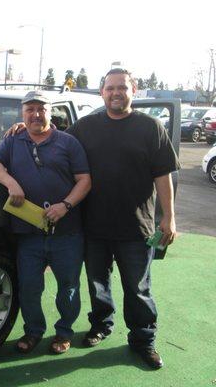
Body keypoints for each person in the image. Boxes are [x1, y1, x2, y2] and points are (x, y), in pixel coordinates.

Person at [66, 68, 180, 369]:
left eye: (122, 87)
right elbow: (55, 145)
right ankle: (101, 324)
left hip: (136, 226)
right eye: (110, 88)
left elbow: (163, 176)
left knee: (138, 288)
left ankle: (143, 340)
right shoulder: (85, 127)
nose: (116, 93)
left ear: (134, 90)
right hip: (94, 225)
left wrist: (169, 217)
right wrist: (21, 131)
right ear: (102, 92)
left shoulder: (151, 127)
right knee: (97, 281)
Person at [0, 90, 91, 355]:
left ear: (50, 111)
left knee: (68, 287)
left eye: (41, 109)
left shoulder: (68, 142)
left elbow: (84, 180)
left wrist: (65, 206)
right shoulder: (13, 140)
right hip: (28, 233)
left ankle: (64, 332)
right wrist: (11, 183)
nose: (35, 114)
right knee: (30, 287)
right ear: (22, 113)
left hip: (66, 232)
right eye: (30, 109)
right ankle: (33, 331)